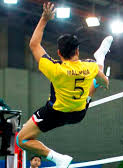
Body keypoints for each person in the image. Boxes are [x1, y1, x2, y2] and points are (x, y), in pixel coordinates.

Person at [16, 3, 112, 168]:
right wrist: (104, 82)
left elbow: (34, 45)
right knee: (96, 79)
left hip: (56, 113)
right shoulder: (89, 66)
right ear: (78, 51)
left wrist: (45, 18)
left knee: (21, 140)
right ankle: (100, 56)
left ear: (59, 53)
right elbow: (106, 82)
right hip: (78, 113)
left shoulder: (55, 69)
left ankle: (58, 158)